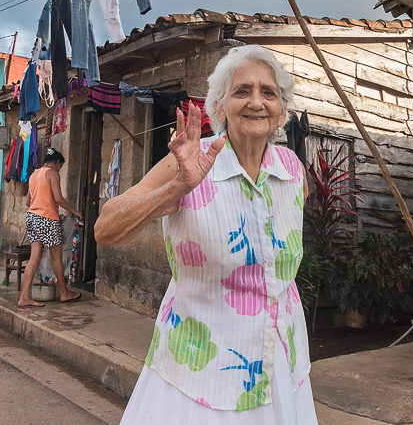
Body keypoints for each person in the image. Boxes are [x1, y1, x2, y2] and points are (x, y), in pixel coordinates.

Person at [95, 45, 317, 423]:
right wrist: (176, 188)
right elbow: (106, 227)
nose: (256, 102)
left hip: (279, 365)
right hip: (200, 371)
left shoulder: (293, 170)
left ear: (282, 109)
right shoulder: (191, 161)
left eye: (269, 92)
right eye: (242, 91)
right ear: (220, 105)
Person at [17, 148, 83, 308]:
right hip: (47, 219)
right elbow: (58, 198)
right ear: (56, 162)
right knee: (56, 258)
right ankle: (65, 293)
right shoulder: (53, 174)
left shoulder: (34, 174)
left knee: (34, 257)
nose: (60, 169)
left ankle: (24, 297)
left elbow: (28, 202)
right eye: (60, 166)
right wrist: (75, 211)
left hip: (31, 218)